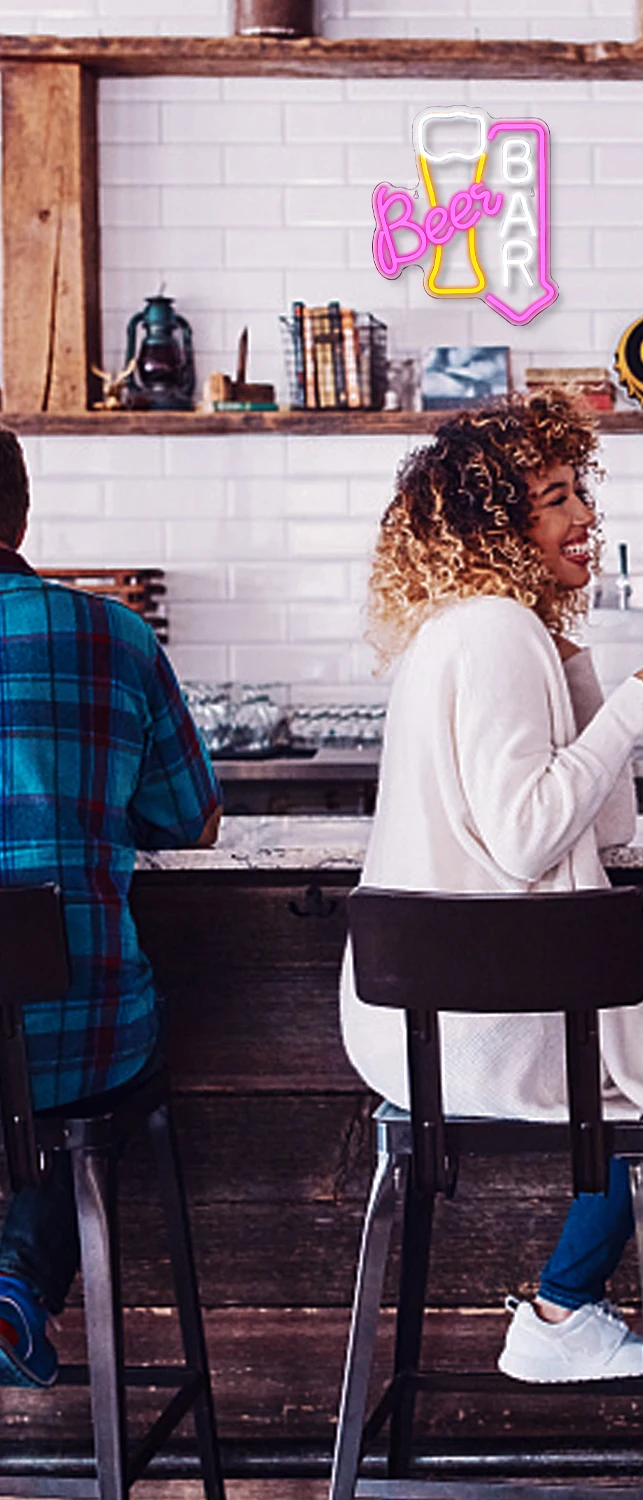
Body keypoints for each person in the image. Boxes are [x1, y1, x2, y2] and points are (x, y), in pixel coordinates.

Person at [340, 394, 643, 1384]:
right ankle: (600, 1290)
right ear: (502, 526)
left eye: (581, 492)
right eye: (555, 499)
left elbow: (605, 826)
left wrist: (585, 677)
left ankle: (570, 1301)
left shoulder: (498, 628)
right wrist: (641, 698)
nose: (584, 517)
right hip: (486, 1026)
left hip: (443, 1010)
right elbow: (529, 833)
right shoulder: (491, 630)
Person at [0, 429, 221, 1388]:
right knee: (59, 1079)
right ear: (21, 513)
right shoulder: (113, 636)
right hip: (83, 1035)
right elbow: (194, 820)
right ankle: (14, 1282)